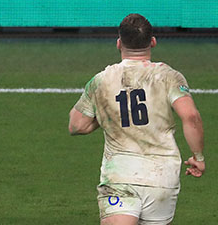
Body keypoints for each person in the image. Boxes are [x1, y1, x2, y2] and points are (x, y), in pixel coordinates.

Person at [68, 13, 205, 225]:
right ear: (153, 42)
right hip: (162, 178)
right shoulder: (169, 76)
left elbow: (76, 125)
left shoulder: (101, 80)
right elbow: (191, 116)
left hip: (120, 177)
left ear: (118, 43)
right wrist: (198, 157)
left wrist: (108, 113)